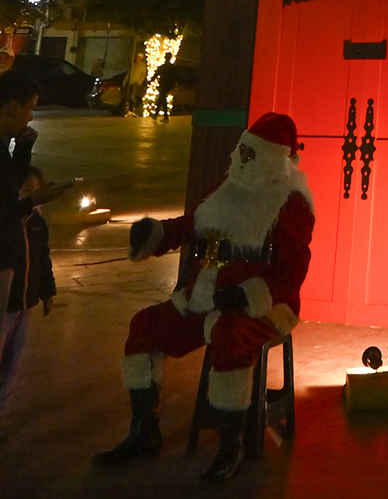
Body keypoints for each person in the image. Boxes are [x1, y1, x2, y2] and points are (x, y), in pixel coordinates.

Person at [94, 111, 314, 483]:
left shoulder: (290, 203)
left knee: (230, 336)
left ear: (274, 158)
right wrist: (155, 234)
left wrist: (247, 296)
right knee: (145, 326)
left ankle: (231, 444)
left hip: (261, 307)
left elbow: (292, 272)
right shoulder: (228, 185)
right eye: (242, 150)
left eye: (252, 153)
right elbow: (190, 225)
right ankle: (144, 430)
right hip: (203, 297)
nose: (243, 158)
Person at [0, 68, 71, 442]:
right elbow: (5, 208)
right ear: (11, 106)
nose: (30, 117)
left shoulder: (4, 147)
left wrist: (23, 149)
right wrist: (35, 200)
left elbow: (9, 189)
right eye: (29, 108)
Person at [0, 165, 57, 425]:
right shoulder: (7, 224)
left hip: (27, 304)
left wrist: (48, 293)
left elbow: (43, 259)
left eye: (36, 190)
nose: (34, 196)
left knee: (13, 361)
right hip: (6, 305)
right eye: (27, 190)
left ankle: (2, 411)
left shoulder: (38, 224)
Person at [147, 54, 180, 122]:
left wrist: (149, 82)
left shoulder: (163, 67)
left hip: (164, 85)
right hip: (168, 85)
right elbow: (176, 77)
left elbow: (155, 75)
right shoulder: (172, 67)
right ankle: (156, 115)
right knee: (161, 98)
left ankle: (165, 116)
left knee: (162, 98)